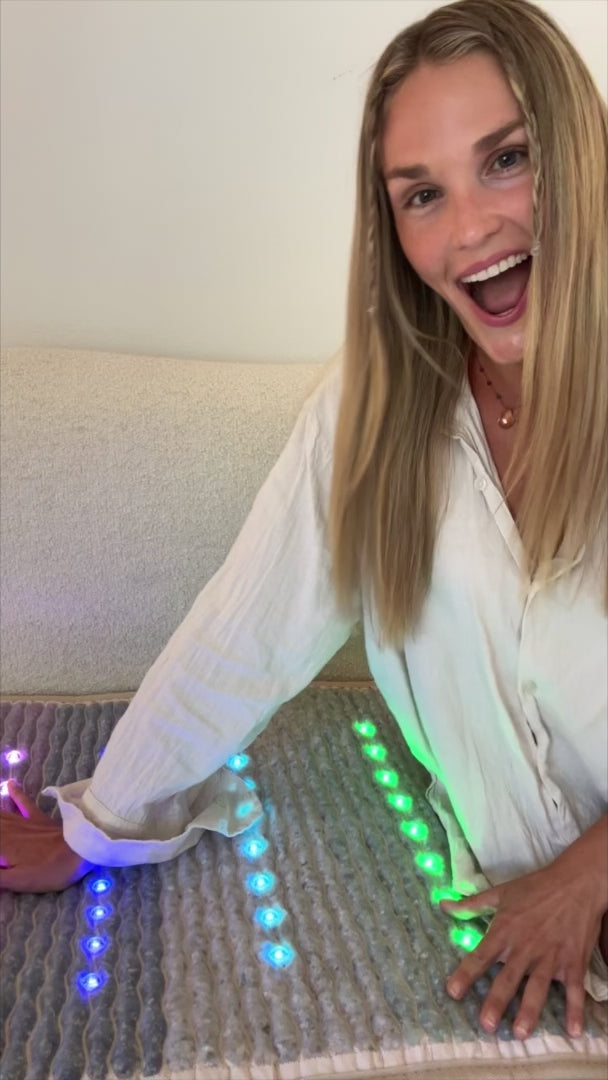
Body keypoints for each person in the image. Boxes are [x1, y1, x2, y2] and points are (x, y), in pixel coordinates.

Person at [1, 0, 606, 1043]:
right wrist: (96, 828)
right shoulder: (374, 411)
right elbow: (246, 631)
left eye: (506, 160)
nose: (468, 229)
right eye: (422, 193)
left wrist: (585, 876)